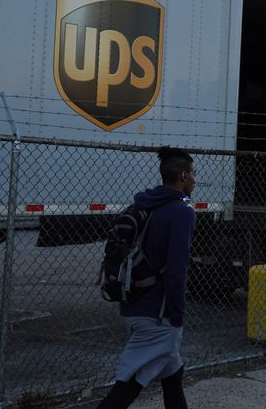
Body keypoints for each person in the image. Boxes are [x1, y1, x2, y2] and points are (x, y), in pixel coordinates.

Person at [97, 146, 197, 409]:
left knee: (173, 376)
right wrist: (177, 315)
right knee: (128, 386)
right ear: (184, 176)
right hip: (157, 315)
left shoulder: (146, 203)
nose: (196, 180)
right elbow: (177, 271)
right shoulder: (181, 212)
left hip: (133, 305)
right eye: (194, 174)